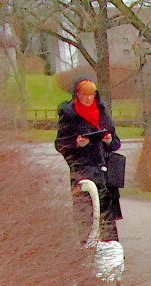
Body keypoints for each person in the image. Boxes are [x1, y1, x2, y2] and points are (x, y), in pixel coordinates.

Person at [55, 76, 121, 241]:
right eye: (85, 95)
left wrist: (109, 141)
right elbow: (60, 144)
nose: (88, 98)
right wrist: (76, 143)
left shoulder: (102, 112)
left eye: (91, 95)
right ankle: (87, 250)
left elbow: (116, 142)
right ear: (77, 95)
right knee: (85, 214)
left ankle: (109, 249)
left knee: (107, 215)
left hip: (104, 171)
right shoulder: (69, 115)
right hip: (81, 172)